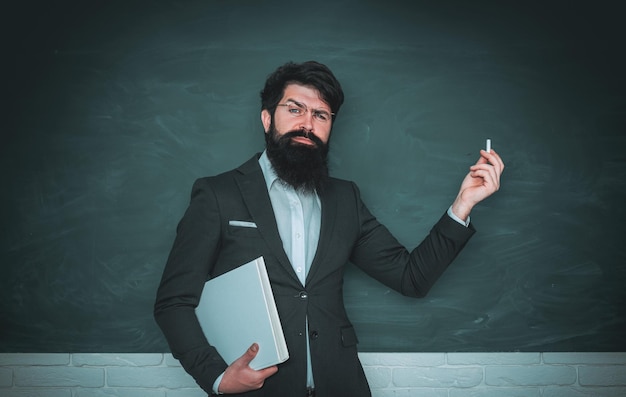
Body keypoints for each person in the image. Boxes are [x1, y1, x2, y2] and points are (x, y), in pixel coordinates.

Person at [154, 60, 504, 397]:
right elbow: (174, 301)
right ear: (266, 118)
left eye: (320, 115)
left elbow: (411, 278)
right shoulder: (218, 194)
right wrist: (216, 377)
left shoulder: (344, 199)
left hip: (341, 385)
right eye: (294, 109)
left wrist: (463, 205)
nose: (308, 123)